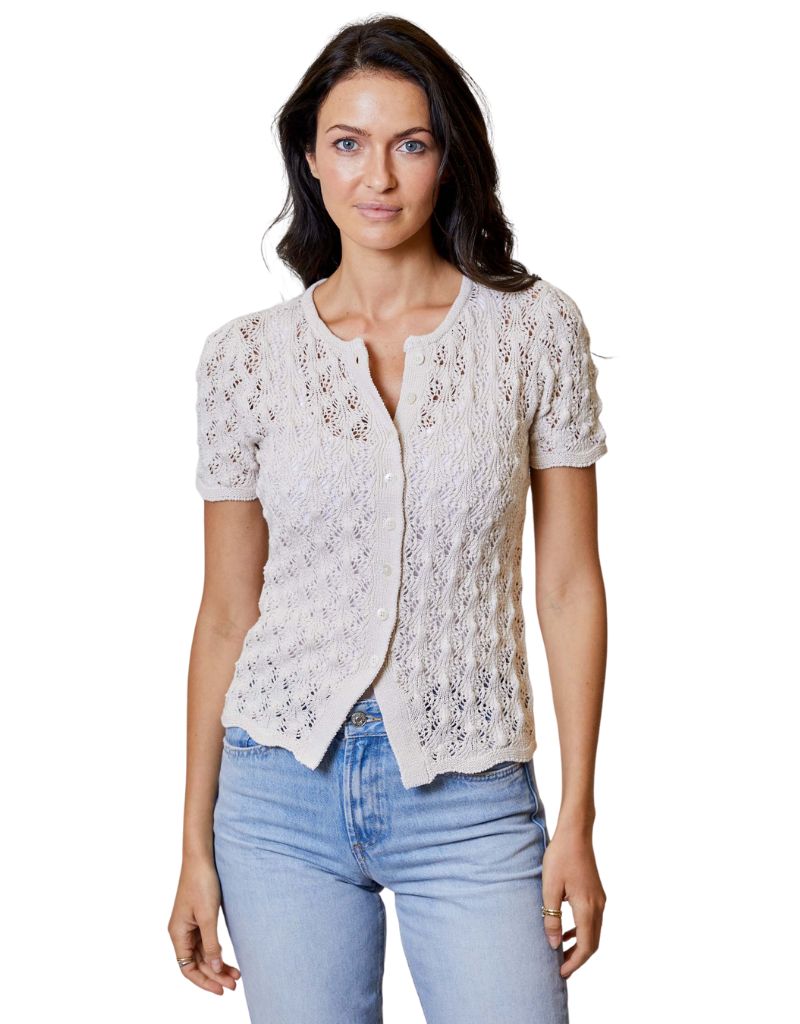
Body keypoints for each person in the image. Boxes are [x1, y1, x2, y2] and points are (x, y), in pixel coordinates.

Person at [168, 14, 608, 1024]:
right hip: (277, 793)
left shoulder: (533, 330)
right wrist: (193, 843)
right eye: (348, 143)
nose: (378, 177)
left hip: (470, 790)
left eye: (410, 143)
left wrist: (577, 817)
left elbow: (567, 584)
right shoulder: (245, 359)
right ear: (310, 159)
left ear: (448, 158)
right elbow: (226, 611)